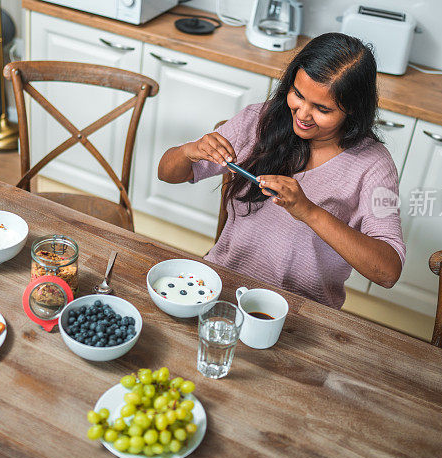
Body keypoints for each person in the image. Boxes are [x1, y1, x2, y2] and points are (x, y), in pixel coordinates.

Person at [157, 33, 405, 308]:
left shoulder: (374, 165)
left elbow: (388, 272)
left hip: (301, 313)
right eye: (298, 94)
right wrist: (188, 151)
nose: (302, 114)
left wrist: (309, 212)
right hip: (221, 286)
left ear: (353, 111)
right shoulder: (257, 121)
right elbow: (166, 173)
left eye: (322, 108)